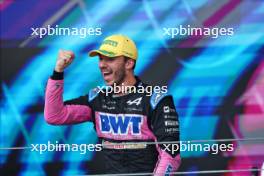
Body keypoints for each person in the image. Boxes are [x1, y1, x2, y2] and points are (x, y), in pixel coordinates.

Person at [44, 34, 181, 175]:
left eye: (110, 59)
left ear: (129, 63)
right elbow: (54, 116)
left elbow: (171, 156)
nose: (102, 65)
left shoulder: (156, 100)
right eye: (100, 59)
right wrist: (58, 72)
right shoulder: (97, 99)